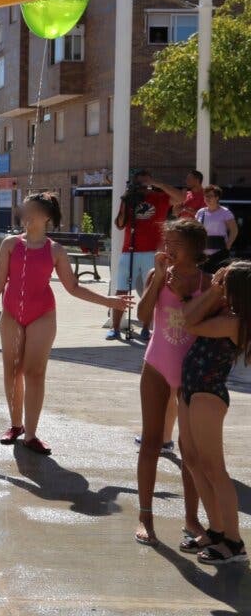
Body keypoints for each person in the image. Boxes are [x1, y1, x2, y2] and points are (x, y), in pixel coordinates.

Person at [0, 192, 132, 455]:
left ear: (46, 216)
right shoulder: (10, 244)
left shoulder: (55, 250)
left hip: (42, 315)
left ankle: (31, 435)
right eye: (25, 210)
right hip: (12, 313)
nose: (26, 215)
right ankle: (15, 425)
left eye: (31, 211)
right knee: (12, 371)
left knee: (34, 373)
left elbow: (73, 287)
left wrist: (109, 302)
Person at [133, 220, 208, 547]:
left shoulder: (208, 282)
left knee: (191, 451)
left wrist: (185, 293)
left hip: (191, 372)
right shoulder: (157, 276)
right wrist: (159, 279)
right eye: (167, 242)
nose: (168, 248)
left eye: (175, 243)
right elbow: (143, 317)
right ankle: (145, 515)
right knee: (151, 442)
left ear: (195, 248)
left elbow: (205, 322)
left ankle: (192, 520)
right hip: (156, 366)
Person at [177, 262, 251, 564]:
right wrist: (217, 292)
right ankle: (216, 530)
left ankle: (234, 542)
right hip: (191, 389)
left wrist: (215, 290)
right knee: (192, 459)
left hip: (208, 394)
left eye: (224, 282)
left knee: (213, 467)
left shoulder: (235, 321)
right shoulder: (223, 313)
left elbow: (188, 322)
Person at [110, 170, 184, 341]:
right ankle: (115, 328)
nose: (142, 186)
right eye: (139, 183)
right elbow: (120, 225)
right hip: (129, 250)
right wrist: (125, 201)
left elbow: (181, 198)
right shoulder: (129, 199)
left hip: (152, 252)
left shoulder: (159, 197)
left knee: (151, 290)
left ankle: (146, 328)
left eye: (145, 182)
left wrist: (157, 184)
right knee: (121, 289)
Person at [197, 185, 238, 273]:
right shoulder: (200, 212)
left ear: (217, 197)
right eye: (206, 196)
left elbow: (234, 230)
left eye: (210, 196)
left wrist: (228, 245)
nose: (207, 198)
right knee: (203, 281)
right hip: (203, 254)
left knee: (218, 280)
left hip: (219, 253)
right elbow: (196, 230)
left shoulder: (225, 212)